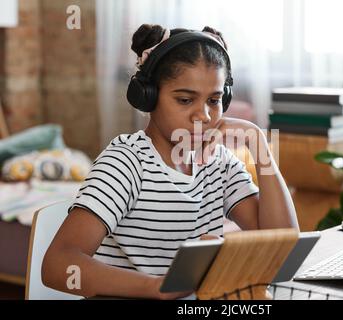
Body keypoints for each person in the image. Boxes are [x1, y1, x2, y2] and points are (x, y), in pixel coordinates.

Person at [42, 24, 299, 300]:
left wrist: (258, 142)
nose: (203, 116)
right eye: (185, 100)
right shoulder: (126, 162)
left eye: (214, 100)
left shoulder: (219, 163)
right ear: (148, 96)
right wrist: (155, 287)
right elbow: (58, 266)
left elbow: (282, 249)